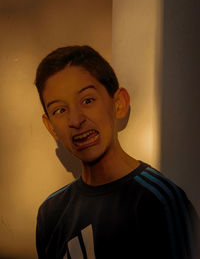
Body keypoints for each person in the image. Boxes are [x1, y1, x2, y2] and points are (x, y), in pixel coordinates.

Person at [35, 45, 199, 259]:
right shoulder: (51, 212)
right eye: (60, 110)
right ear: (50, 127)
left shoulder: (161, 202)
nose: (75, 120)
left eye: (87, 100)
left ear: (119, 103)